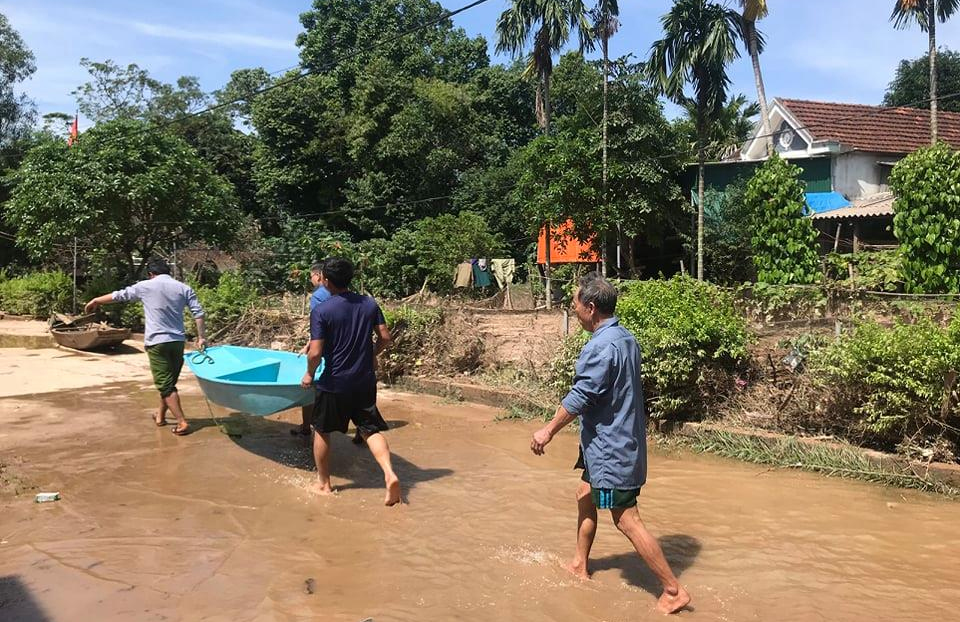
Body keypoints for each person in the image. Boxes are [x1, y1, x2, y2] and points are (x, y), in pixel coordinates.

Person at [529, 273, 691, 615]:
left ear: (590, 308)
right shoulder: (625, 338)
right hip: (613, 444)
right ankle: (579, 564)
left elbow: (581, 396)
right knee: (585, 494)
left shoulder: (600, 346)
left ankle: (673, 590)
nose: (573, 310)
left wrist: (548, 430)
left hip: (611, 451)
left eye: (575, 304)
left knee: (626, 518)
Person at [300, 257, 401, 506]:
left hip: (334, 382)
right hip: (364, 380)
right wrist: (372, 354)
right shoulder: (369, 303)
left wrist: (310, 374)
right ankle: (389, 474)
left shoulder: (322, 310)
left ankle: (324, 484)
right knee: (369, 429)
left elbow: (315, 352)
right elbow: (385, 337)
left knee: (321, 430)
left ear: (325, 280)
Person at [84, 257, 206, 436]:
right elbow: (199, 314)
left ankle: (182, 422)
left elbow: (120, 295)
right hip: (177, 342)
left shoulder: (145, 286)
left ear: (151, 274)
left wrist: (97, 300)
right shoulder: (184, 288)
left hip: (157, 342)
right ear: (168, 272)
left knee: (165, 386)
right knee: (168, 383)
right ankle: (160, 416)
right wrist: (201, 337)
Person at [293, 262, 331, 437]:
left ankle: (307, 426)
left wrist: (311, 346)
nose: (311, 280)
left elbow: (319, 326)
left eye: (311, 276)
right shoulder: (345, 294)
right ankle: (362, 430)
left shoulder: (318, 296)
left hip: (324, 347)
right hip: (343, 347)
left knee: (310, 386)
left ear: (318, 275)